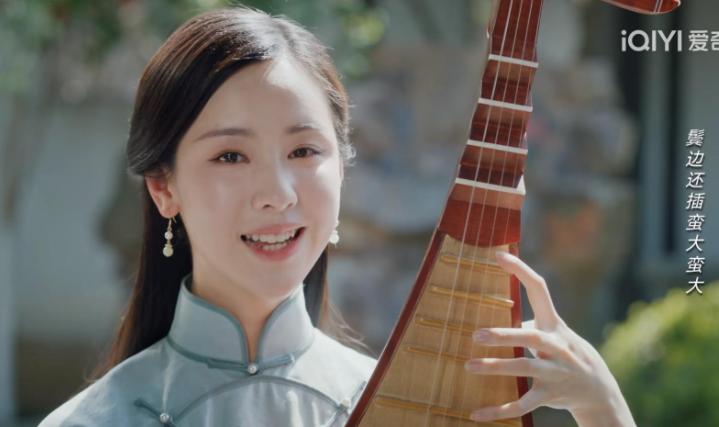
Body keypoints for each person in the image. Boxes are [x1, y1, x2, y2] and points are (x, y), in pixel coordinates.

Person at [39, 6, 636, 427]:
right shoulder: (97, 421)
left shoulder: (399, 410)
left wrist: (601, 408)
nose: (277, 194)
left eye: (304, 151)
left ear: (343, 170)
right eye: (230, 156)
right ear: (163, 187)